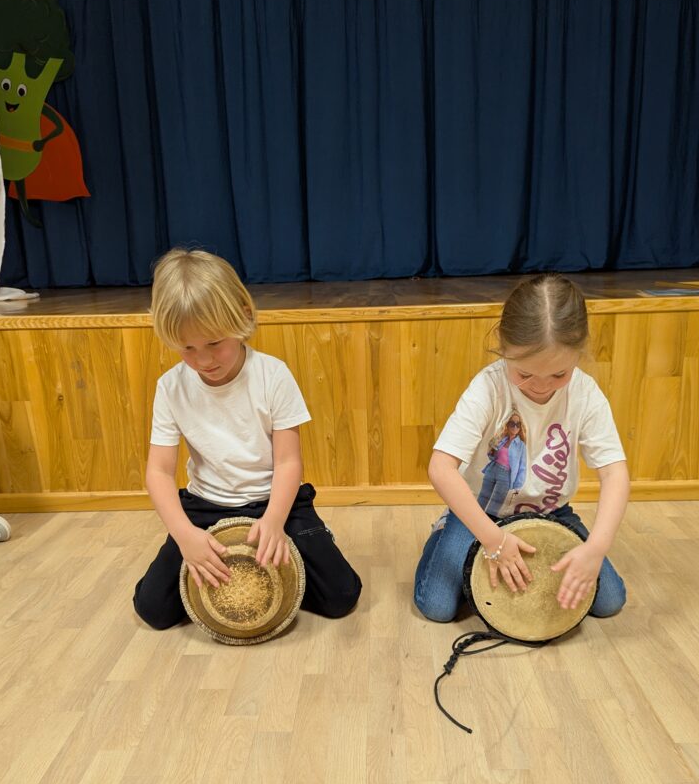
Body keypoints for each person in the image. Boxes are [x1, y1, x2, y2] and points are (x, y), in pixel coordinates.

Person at [133, 248, 361, 630]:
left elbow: (288, 462)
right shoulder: (170, 387)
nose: (204, 360)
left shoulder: (273, 375)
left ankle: (307, 549)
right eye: (187, 348)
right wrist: (185, 535)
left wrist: (274, 521)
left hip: (276, 503)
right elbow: (158, 472)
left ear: (241, 316)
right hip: (205, 507)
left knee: (341, 596)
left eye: (214, 343)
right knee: (153, 610)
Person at [414, 273, 628, 623]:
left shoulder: (585, 393)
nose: (541, 387)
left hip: (551, 514)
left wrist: (595, 549)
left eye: (558, 375)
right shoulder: (488, 387)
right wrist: (493, 540)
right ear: (504, 346)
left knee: (609, 602)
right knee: (437, 607)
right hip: (483, 513)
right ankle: (444, 532)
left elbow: (614, 473)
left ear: (579, 353)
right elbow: (440, 467)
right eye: (525, 374)